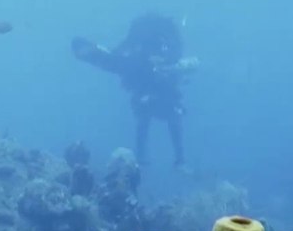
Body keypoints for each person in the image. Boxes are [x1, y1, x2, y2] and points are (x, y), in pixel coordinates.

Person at [70, 13, 198, 166]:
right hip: (149, 79)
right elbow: (120, 55)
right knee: (164, 116)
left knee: (147, 115)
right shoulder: (164, 40)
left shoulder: (145, 38)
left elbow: (118, 55)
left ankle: (150, 157)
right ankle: (177, 159)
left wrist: (98, 52)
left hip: (146, 79)